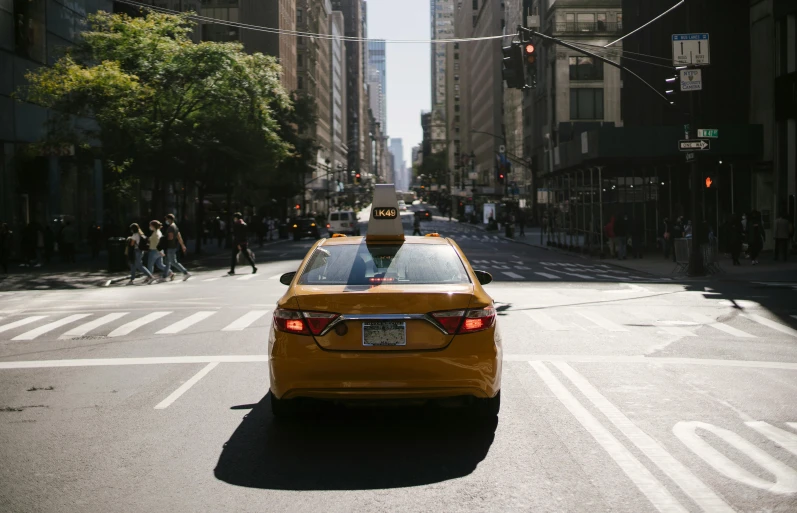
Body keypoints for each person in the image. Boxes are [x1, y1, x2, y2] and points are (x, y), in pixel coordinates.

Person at [162, 213, 191, 281]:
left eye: (166, 219)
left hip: (170, 247)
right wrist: (182, 245)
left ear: (169, 219)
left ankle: (186, 272)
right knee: (168, 262)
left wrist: (163, 240)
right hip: (173, 247)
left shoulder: (171, 227)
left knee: (173, 262)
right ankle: (164, 277)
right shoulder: (175, 226)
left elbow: (170, 237)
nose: (166, 221)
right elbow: (179, 237)